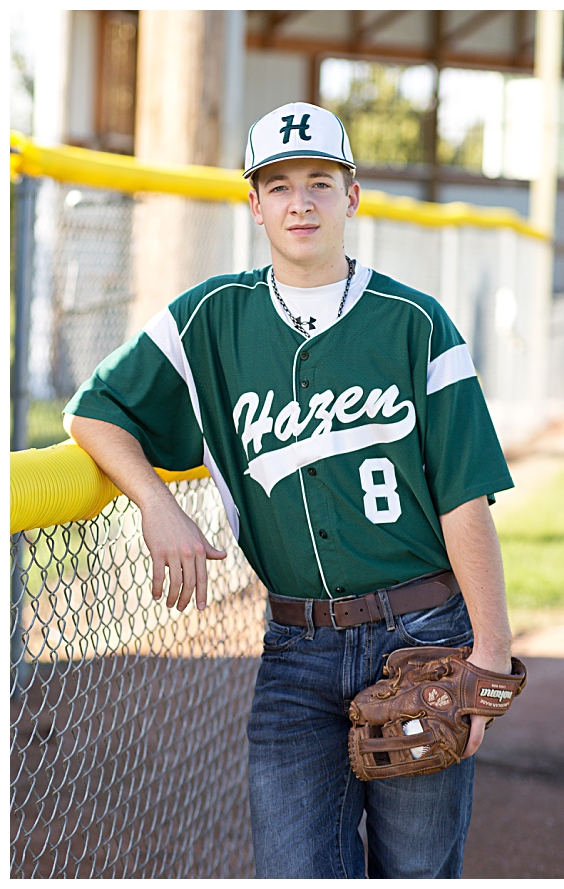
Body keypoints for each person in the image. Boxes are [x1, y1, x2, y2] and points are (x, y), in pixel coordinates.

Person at [63, 102, 516, 877]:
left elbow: (463, 500)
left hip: (421, 636)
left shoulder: (416, 321)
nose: (299, 202)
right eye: (277, 185)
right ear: (255, 204)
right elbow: (92, 412)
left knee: (415, 869)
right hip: (294, 648)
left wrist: (491, 659)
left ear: (353, 195)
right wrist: (156, 502)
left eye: (319, 182)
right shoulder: (210, 316)